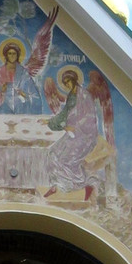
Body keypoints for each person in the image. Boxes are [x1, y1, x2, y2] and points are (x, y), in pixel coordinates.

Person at [43, 67, 100, 199]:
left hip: (85, 136)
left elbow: (90, 116)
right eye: (65, 83)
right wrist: (50, 122)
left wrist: (74, 127)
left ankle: (84, 185)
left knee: (67, 160)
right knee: (52, 154)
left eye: (68, 81)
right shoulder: (71, 96)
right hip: (72, 135)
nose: (67, 85)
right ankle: (56, 185)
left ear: (74, 80)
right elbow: (65, 113)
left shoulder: (84, 95)